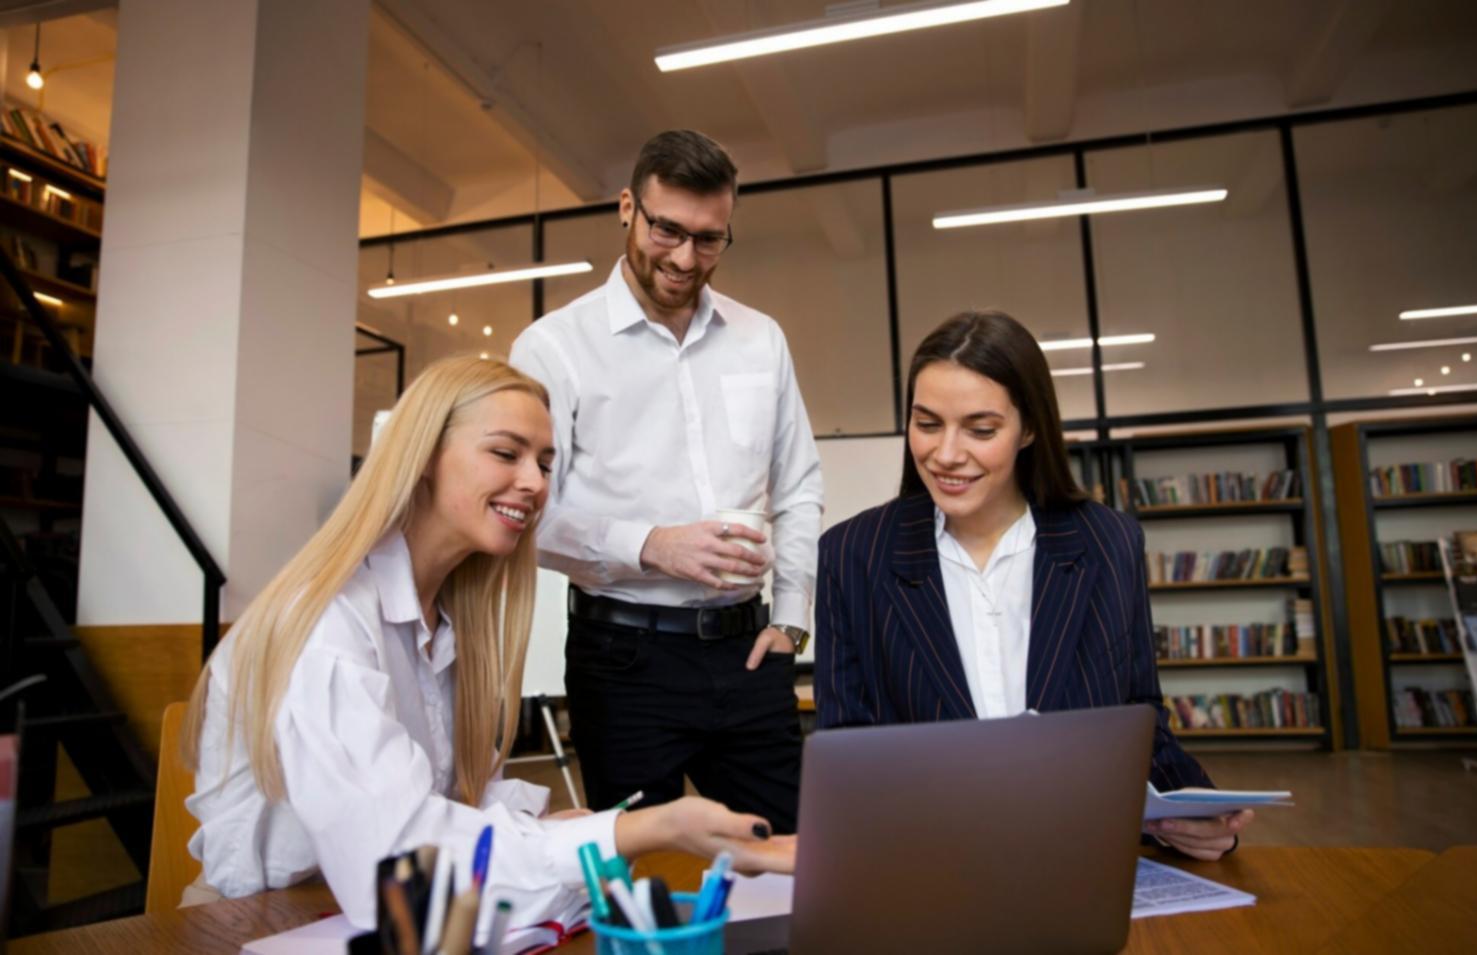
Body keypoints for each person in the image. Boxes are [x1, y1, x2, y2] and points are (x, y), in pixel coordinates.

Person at [182, 356, 793, 936]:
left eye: (546, 464)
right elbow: (400, 871)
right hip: (260, 925)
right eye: (506, 453)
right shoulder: (326, 626)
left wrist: (554, 827)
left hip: (364, 919)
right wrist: (650, 826)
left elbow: (445, 801)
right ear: (422, 457)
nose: (534, 484)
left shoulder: (449, 622)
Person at [813, 311, 1253, 861]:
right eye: (927, 424)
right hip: (927, 863)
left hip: (1078, 855)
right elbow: (846, 749)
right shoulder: (852, 555)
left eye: (980, 429)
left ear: (1030, 428)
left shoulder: (1106, 542)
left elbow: (1138, 716)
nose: (946, 454)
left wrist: (1193, 813)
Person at [509, 129, 823, 834]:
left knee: (787, 862)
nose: (685, 258)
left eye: (709, 239)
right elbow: (525, 511)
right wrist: (652, 545)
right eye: (667, 230)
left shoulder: (759, 337)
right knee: (639, 884)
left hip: (749, 652)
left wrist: (792, 617)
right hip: (624, 659)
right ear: (628, 207)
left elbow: (799, 482)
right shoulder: (553, 347)